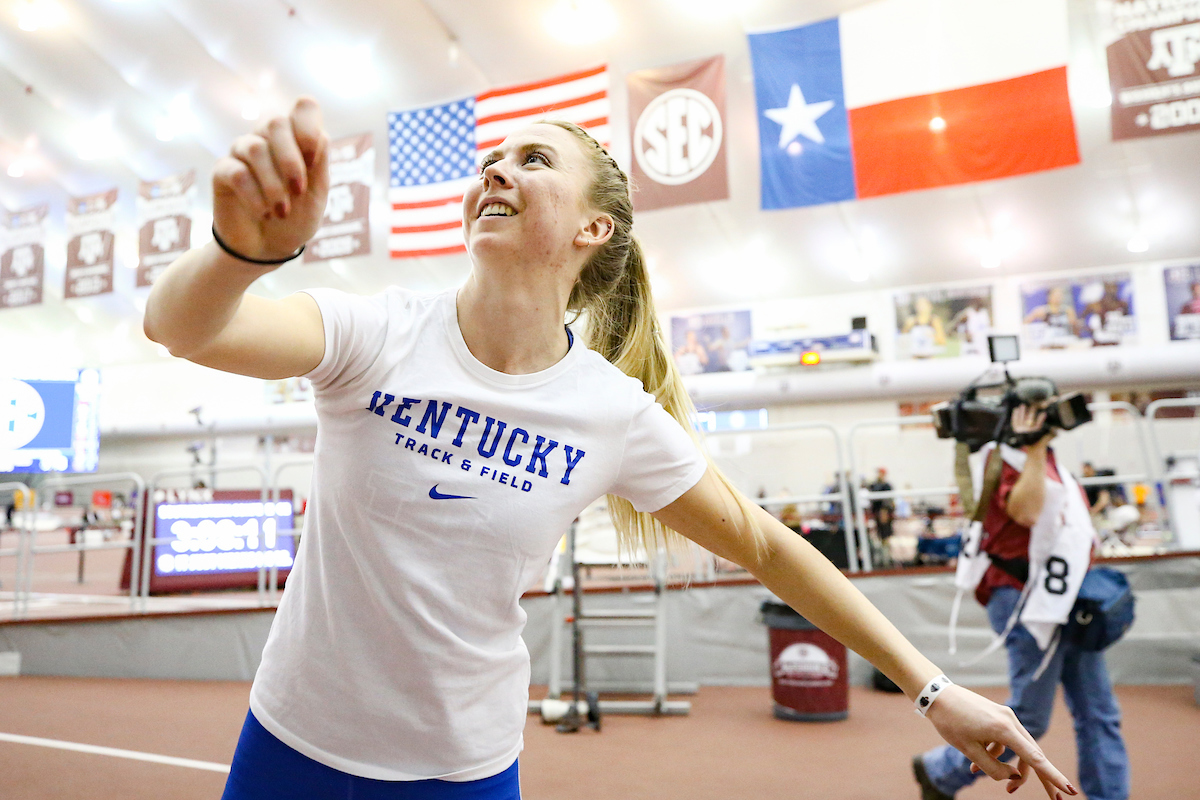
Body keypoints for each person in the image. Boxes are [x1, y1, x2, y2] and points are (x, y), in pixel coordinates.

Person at [145, 98, 1074, 800]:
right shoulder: (375, 332)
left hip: (462, 768)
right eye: (494, 160)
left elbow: (767, 546)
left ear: (592, 230)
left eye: (533, 161)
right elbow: (180, 329)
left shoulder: (609, 412)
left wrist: (932, 688)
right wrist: (239, 253)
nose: (497, 172)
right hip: (294, 740)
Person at [914, 405, 1127, 800]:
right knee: (1027, 715)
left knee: (1100, 715)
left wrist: (1039, 450)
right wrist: (1031, 449)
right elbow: (1026, 512)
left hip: (1069, 602)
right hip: (1023, 599)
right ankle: (941, 771)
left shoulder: (1053, 464)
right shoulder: (1004, 460)